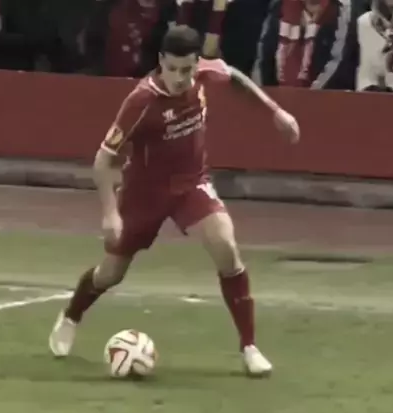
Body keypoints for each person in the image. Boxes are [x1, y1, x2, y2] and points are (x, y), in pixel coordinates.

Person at [48, 25, 300, 377]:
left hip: (191, 183)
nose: (180, 78)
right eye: (172, 69)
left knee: (226, 247)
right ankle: (71, 315)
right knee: (110, 274)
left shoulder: (205, 73)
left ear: (197, 63)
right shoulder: (141, 101)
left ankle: (249, 347)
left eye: (187, 69)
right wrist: (110, 214)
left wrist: (275, 111)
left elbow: (234, 76)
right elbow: (103, 161)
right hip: (143, 193)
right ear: (160, 62)